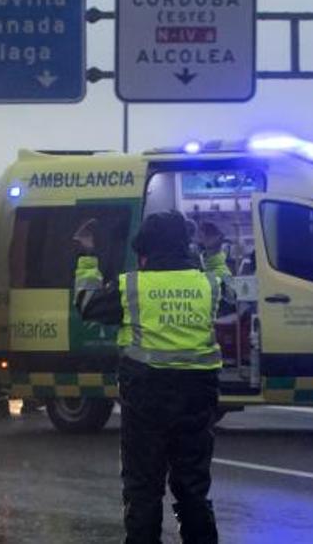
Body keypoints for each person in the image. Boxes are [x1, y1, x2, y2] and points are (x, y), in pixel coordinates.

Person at [74, 211, 222, 544]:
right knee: (193, 488)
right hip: (197, 396)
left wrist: (87, 256)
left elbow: (87, 305)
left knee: (144, 489)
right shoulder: (207, 284)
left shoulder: (132, 286)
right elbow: (229, 294)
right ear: (184, 245)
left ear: (146, 251)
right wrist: (214, 252)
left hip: (146, 396)